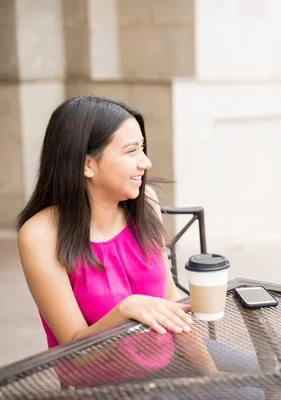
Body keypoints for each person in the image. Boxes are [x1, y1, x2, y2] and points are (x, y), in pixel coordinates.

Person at [16, 96, 263, 398]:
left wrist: (208, 371)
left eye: (142, 148)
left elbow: (170, 298)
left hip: (166, 352)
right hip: (101, 383)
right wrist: (125, 310)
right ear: (87, 164)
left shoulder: (145, 205)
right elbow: (74, 350)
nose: (145, 163)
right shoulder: (40, 235)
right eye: (132, 151)